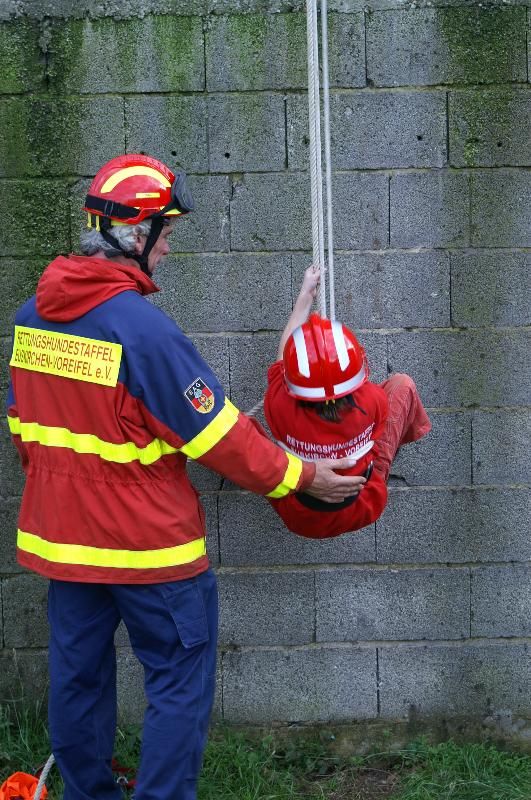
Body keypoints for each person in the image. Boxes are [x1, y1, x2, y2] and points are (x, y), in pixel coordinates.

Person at [6, 154, 366, 800]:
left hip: (65, 545)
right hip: (152, 551)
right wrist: (303, 476)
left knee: (77, 681)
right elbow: (219, 437)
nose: (169, 250)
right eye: (165, 234)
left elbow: (24, 429)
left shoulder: (31, 318)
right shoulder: (143, 329)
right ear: (133, 235)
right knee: (177, 679)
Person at [264, 264, 432, 539]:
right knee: (402, 385)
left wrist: (305, 296)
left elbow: (282, 359)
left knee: (242, 429)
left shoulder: (279, 405)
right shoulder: (373, 401)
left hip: (300, 515)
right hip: (364, 503)